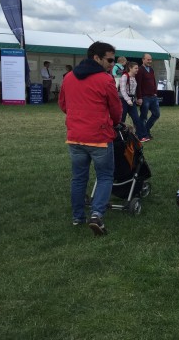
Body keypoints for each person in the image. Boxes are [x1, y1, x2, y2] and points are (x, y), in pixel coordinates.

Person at [58, 41, 122, 236]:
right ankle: (96, 215)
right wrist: (114, 122)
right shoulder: (105, 80)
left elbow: (63, 104)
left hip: (75, 137)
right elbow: (116, 109)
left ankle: (78, 217)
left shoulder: (69, 77)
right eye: (109, 60)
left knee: (79, 178)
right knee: (104, 177)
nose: (112, 64)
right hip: (99, 137)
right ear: (96, 58)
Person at [135, 53, 160, 142]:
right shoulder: (140, 70)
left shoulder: (151, 69)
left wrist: (155, 92)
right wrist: (139, 97)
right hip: (144, 97)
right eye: (148, 59)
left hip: (153, 96)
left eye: (150, 60)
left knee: (156, 114)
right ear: (143, 60)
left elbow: (154, 81)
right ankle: (144, 134)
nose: (150, 61)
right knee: (143, 117)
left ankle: (145, 129)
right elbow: (138, 85)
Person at [119, 62, 142, 130]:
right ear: (130, 68)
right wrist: (128, 100)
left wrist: (135, 99)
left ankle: (140, 135)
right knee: (122, 119)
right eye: (135, 68)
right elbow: (122, 90)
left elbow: (133, 91)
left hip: (132, 100)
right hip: (123, 100)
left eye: (137, 68)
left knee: (136, 118)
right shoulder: (124, 76)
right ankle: (119, 135)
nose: (137, 69)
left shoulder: (134, 77)